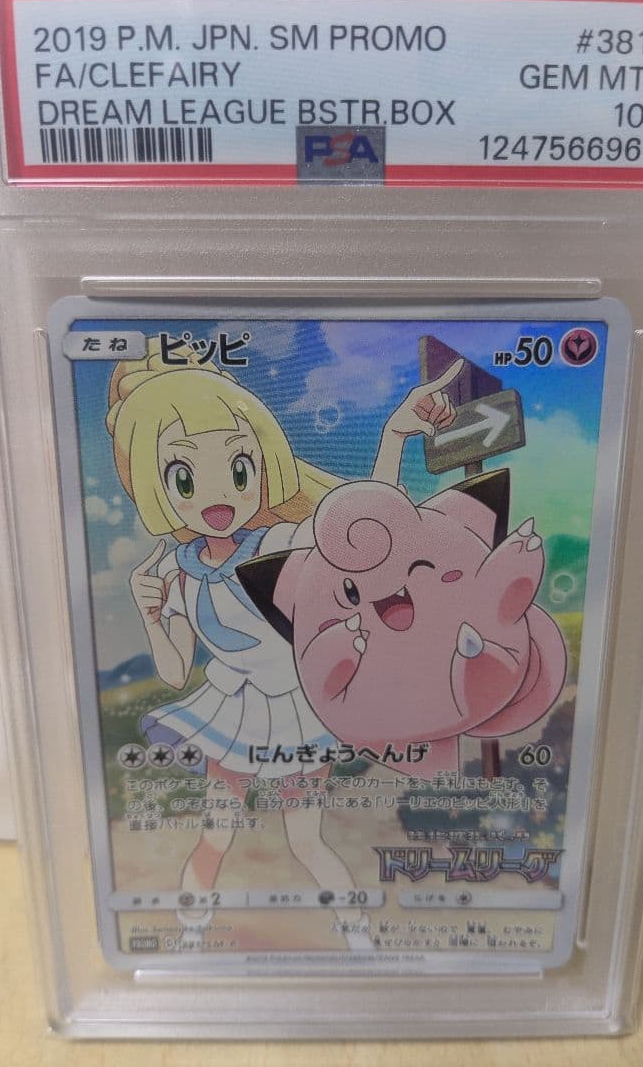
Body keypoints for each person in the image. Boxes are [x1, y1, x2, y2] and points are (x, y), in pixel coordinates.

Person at [106, 337, 459, 949]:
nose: (218, 496)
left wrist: (394, 436)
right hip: (235, 712)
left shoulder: (278, 544)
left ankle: (357, 936)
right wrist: (152, 614)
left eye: (238, 469)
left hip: (298, 711)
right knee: (216, 834)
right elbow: (174, 671)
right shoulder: (176, 573)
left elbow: (365, 527)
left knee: (305, 839)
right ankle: (189, 940)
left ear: (263, 465)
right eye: (184, 476)